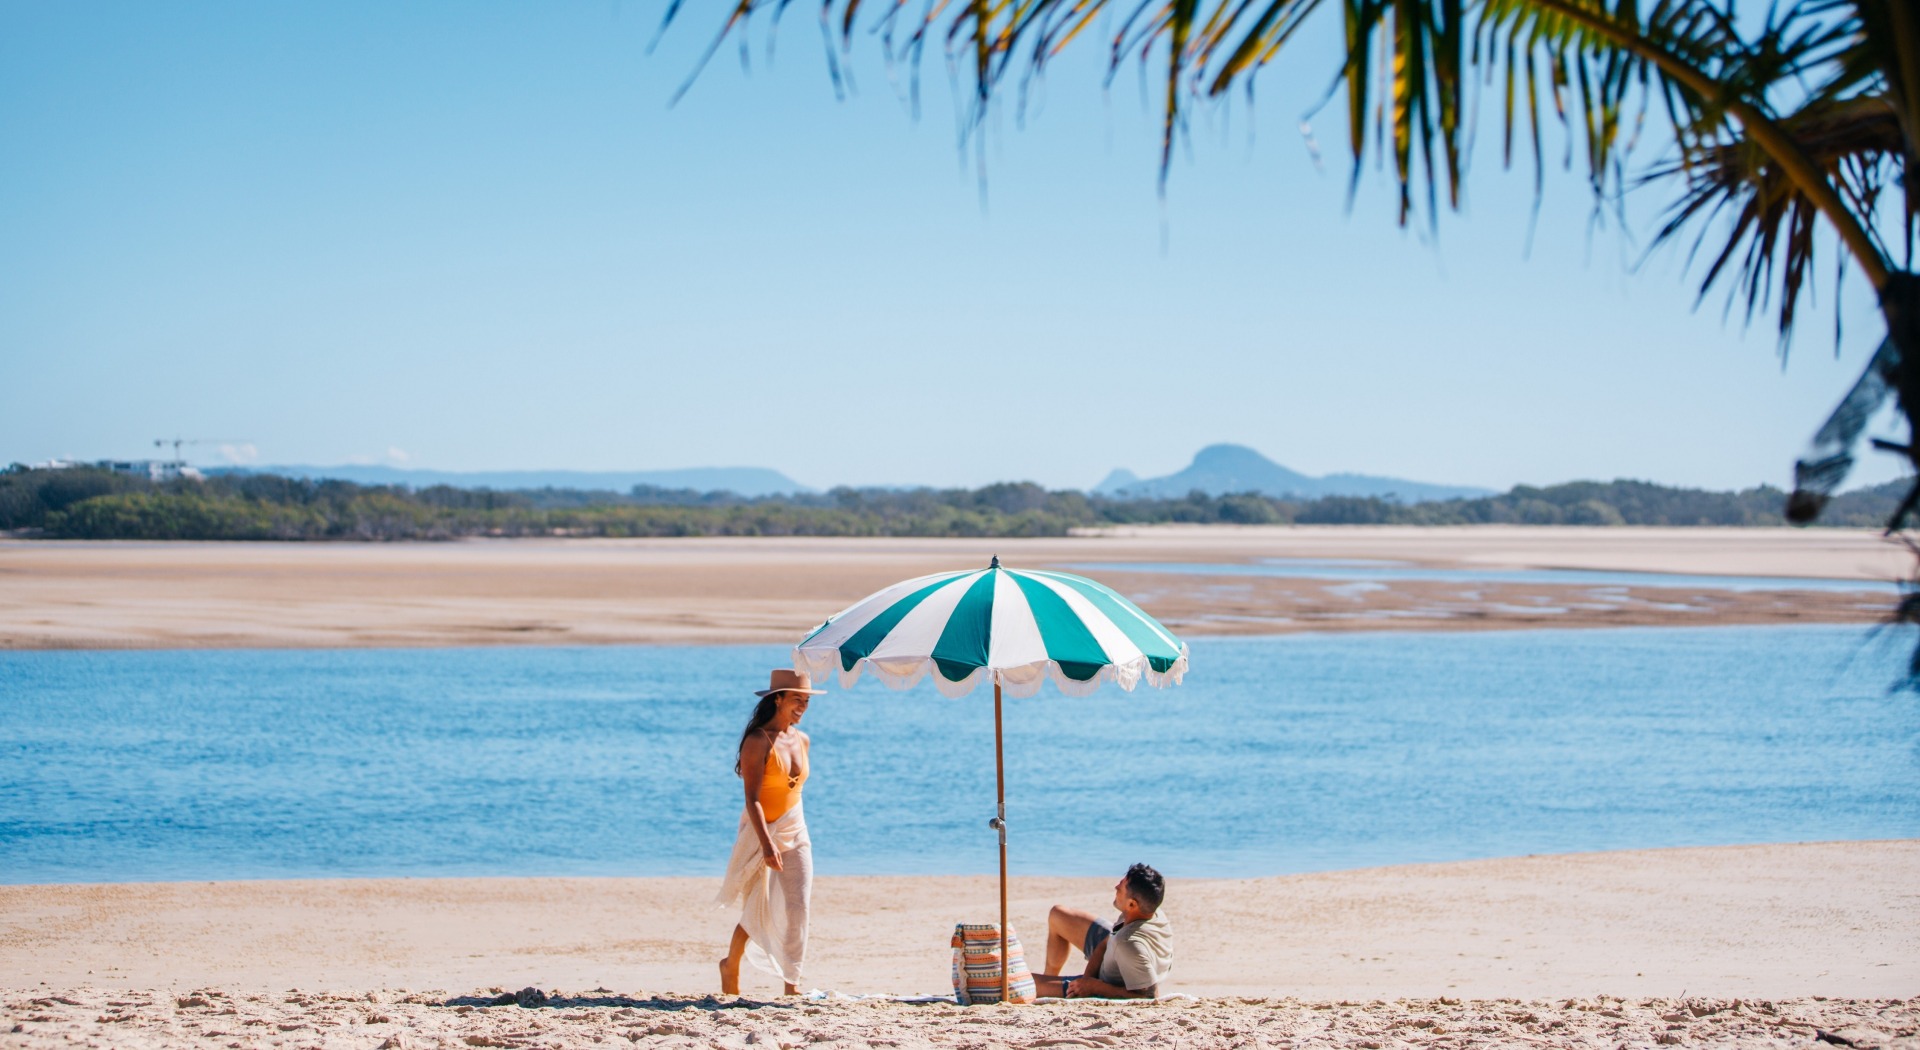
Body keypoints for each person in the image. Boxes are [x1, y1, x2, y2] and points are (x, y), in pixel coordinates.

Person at [716, 668, 823, 996]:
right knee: (756, 903)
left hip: (795, 827)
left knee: (797, 906)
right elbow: (752, 798)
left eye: (805, 701)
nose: (802, 707)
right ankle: (730, 964)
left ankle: (792, 984)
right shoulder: (757, 741)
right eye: (796, 700)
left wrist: (787, 835)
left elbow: (796, 791)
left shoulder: (802, 740)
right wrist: (766, 845)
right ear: (777, 699)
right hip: (760, 829)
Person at [1032, 863, 1172, 999]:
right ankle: (1049, 977)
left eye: (1120, 888)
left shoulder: (1128, 943)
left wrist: (1094, 987)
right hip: (1117, 954)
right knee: (1058, 915)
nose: (1115, 887)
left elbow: (1150, 996)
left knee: (1018, 984)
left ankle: (1047, 988)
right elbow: (1106, 942)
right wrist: (1087, 979)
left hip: (1111, 983)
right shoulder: (1147, 910)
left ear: (1131, 904)